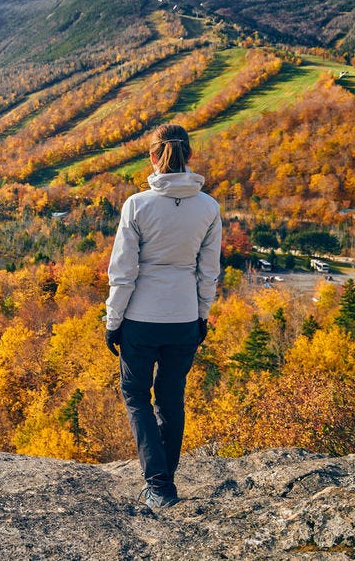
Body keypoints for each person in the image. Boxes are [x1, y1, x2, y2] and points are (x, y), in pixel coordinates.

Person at [104, 123, 222, 509]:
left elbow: (123, 273)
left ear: (154, 157)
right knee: (171, 398)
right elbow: (209, 272)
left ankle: (158, 484)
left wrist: (113, 321)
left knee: (136, 394)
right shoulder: (208, 208)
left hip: (140, 319)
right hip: (184, 318)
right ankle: (163, 484)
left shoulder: (137, 205)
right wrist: (201, 316)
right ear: (189, 155)